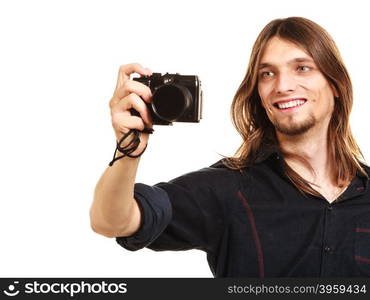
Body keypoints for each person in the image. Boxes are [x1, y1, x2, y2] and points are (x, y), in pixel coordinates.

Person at [90, 17, 370, 277]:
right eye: (267, 74)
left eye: (302, 68)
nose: (283, 85)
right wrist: (128, 150)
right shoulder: (228, 190)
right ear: (258, 94)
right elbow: (111, 221)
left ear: (336, 84)